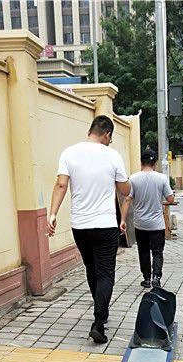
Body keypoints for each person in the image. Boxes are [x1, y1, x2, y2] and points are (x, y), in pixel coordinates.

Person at [48, 115, 131, 344]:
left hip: (80, 226)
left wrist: (53, 213)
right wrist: (123, 182)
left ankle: (99, 309)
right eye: (110, 137)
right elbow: (125, 188)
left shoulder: (69, 153)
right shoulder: (113, 156)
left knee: (91, 269)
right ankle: (99, 321)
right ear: (107, 134)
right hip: (105, 225)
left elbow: (61, 184)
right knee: (106, 274)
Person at [120, 148, 174, 289]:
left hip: (140, 224)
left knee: (143, 251)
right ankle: (157, 277)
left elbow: (127, 200)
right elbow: (170, 198)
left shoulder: (133, 178)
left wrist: (123, 220)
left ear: (141, 162)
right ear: (155, 162)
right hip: (157, 224)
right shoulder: (161, 178)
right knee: (157, 252)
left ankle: (147, 278)